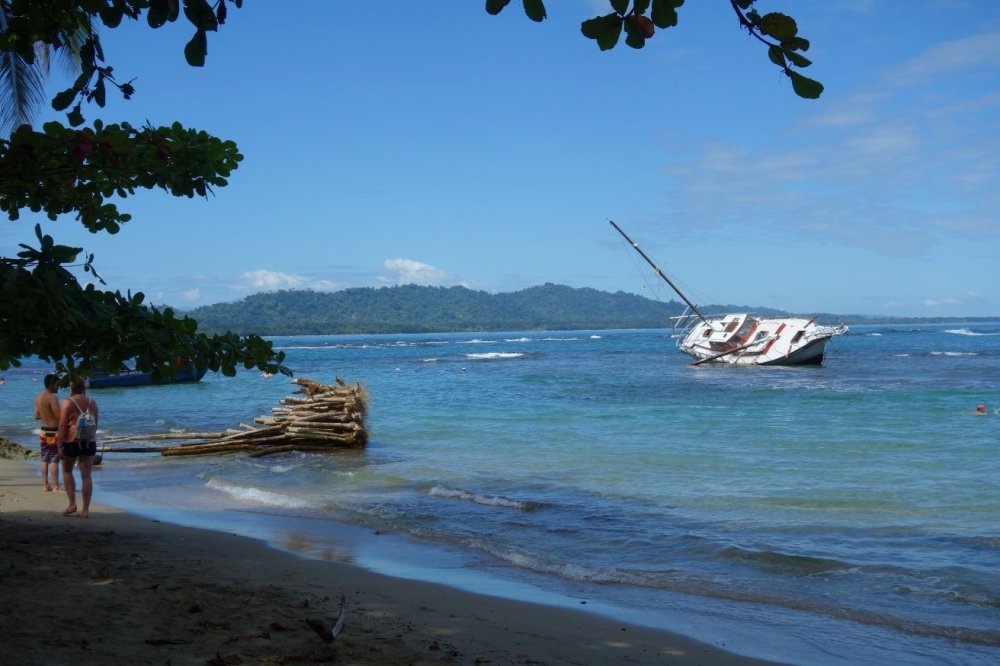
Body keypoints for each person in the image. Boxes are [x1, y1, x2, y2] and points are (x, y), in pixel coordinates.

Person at [57, 377, 99, 518]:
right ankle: (85, 510)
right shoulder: (92, 402)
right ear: (83, 387)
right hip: (89, 441)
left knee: (67, 471)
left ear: (71, 387)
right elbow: (96, 424)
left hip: (71, 441)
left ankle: (72, 504)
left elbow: (63, 426)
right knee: (86, 476)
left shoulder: (67, 402)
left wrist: (59, 444)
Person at [33, 374, 61, 491]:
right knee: (54, 459)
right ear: (51, 384)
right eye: (57, 384)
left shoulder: (38, 397)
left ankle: (45, 485)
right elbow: (58, 415)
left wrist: (46, 415)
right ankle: (55, 486)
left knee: (44, 459)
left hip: (43, 430)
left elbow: (37, 415)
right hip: (53, 431)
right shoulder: (52, 397)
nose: (58, 387)